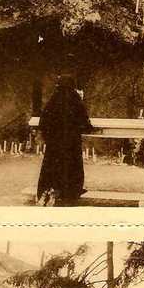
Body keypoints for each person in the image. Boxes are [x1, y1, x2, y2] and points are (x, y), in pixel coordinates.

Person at [36, 74, 94, 205]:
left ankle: (50, 191)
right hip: (70, 144)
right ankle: (69, 193)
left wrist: (49, 137)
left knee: (52, 167)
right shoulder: (75, 99)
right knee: (71, 167)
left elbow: (43, 121)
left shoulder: (53, 99)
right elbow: (85, 123)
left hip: (55, 145)